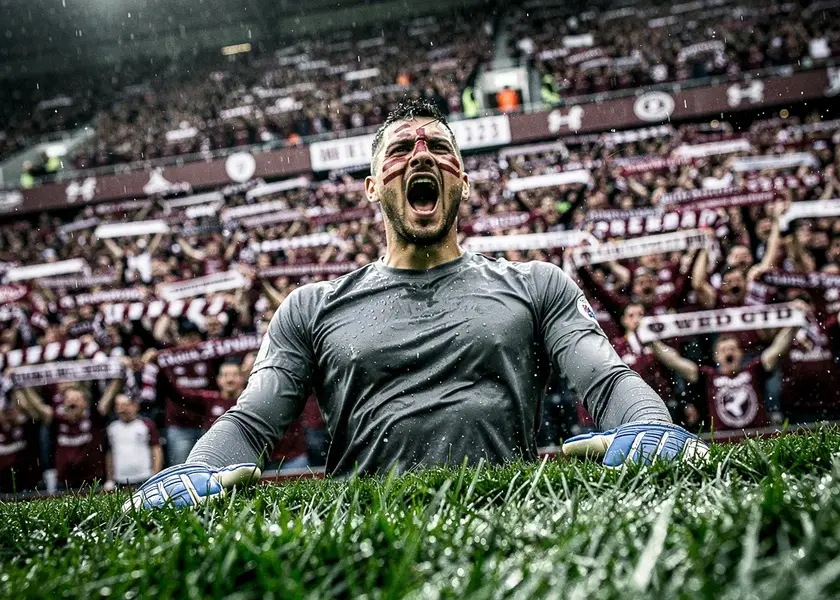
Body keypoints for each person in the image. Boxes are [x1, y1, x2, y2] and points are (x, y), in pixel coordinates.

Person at [127, 100, 708, 510]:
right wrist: (199, 470)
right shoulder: (308, 308)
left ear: (465, 181)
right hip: (364, 539)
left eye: (439, 148)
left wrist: (649, 425)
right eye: (401, 149)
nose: (421, 156)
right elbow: (252, 423)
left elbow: (605, 380)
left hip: (512, 523)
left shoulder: (538, 284)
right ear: (373, 186)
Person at [649, 303, 806, 432]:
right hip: (724, 442)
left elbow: (777, 348)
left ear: (740, 353)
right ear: (716, 356)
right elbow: (675, 361)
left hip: (759, 438)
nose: (729, 353)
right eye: (724, 350)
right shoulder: (707, 375)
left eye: (732, 349)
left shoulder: (754, 369)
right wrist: (652, 341)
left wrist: (794, 322)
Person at [105, 394, 163, 488]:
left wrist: (155, 475)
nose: (122, 409)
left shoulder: (147, 425)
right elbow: (109, 454)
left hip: (144, 477)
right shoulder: (111, 428)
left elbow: (156, 450)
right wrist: (110, 479)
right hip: (120, 480)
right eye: (118, 405)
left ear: (135, 406)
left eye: (125, 405)